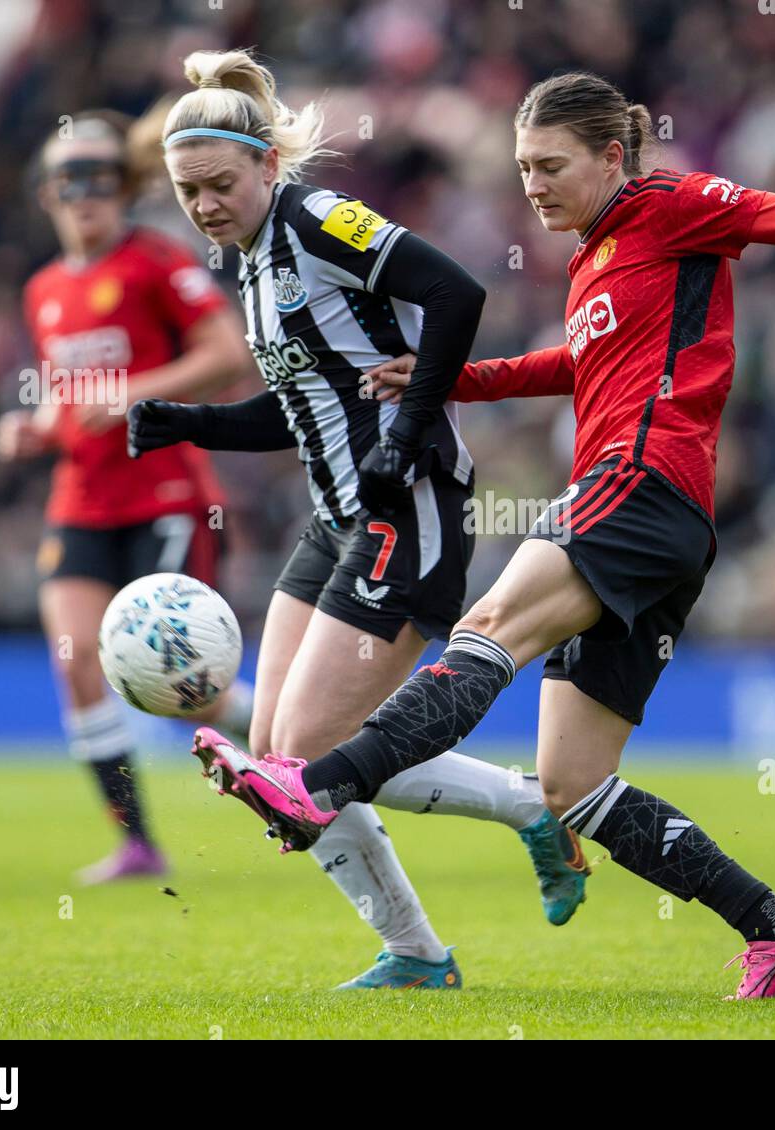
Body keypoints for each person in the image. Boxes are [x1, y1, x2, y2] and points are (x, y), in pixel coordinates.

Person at [192, 70, 775, 999]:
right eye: (521, 168)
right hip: (658, 518)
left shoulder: (676, 204)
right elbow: (581, 364)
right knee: (573, 782)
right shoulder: (596, 254)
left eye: (549, 165)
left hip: (641, 483)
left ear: (613, 156)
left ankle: (318, 787)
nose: (531, 186)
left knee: (490, 624)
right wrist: (454, 378)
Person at [128, 49, 588, 990]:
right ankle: (426, 943)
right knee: (276, 758)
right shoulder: (253, 263)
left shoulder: (314, 220)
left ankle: (514, 830)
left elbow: (458, 292)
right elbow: (303, 405)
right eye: (187, 192)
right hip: (334, 520)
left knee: (297, 762)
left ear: (265, 165)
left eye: (220, 184)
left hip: (406, 508)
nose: (206, 205)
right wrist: (189, 421)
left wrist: (408, 430)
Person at [0, 110, 256, 885]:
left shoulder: (157, 261)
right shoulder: (43, 289)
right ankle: (138, 843)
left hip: (167, 496)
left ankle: (288, 739)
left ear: (124, 188)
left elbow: (228, 355)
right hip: (81, 500)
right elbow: (71, 401)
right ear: (45, 195)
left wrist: (133, 394)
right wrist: (36, 430)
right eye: (68, 185)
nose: (85, 199)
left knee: (188, 694)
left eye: (101, 183)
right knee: (79, 665)